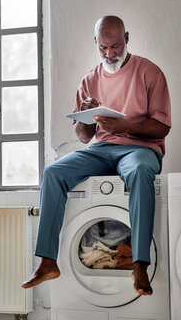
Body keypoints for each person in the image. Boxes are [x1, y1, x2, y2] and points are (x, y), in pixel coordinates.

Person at [22, 16, 171, 295]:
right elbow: (84, 136)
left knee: (139, 171)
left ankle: (140, 264)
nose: (110, 53)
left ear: (127, 38)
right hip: (101, 150)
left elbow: (162, 126)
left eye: (115, 46)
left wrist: (123, 125)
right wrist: (87, 117)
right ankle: (48, 261)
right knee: (53, 172)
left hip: (140, 150)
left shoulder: (150, 72)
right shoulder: (89, 80)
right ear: (96, 43)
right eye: (103, 48)